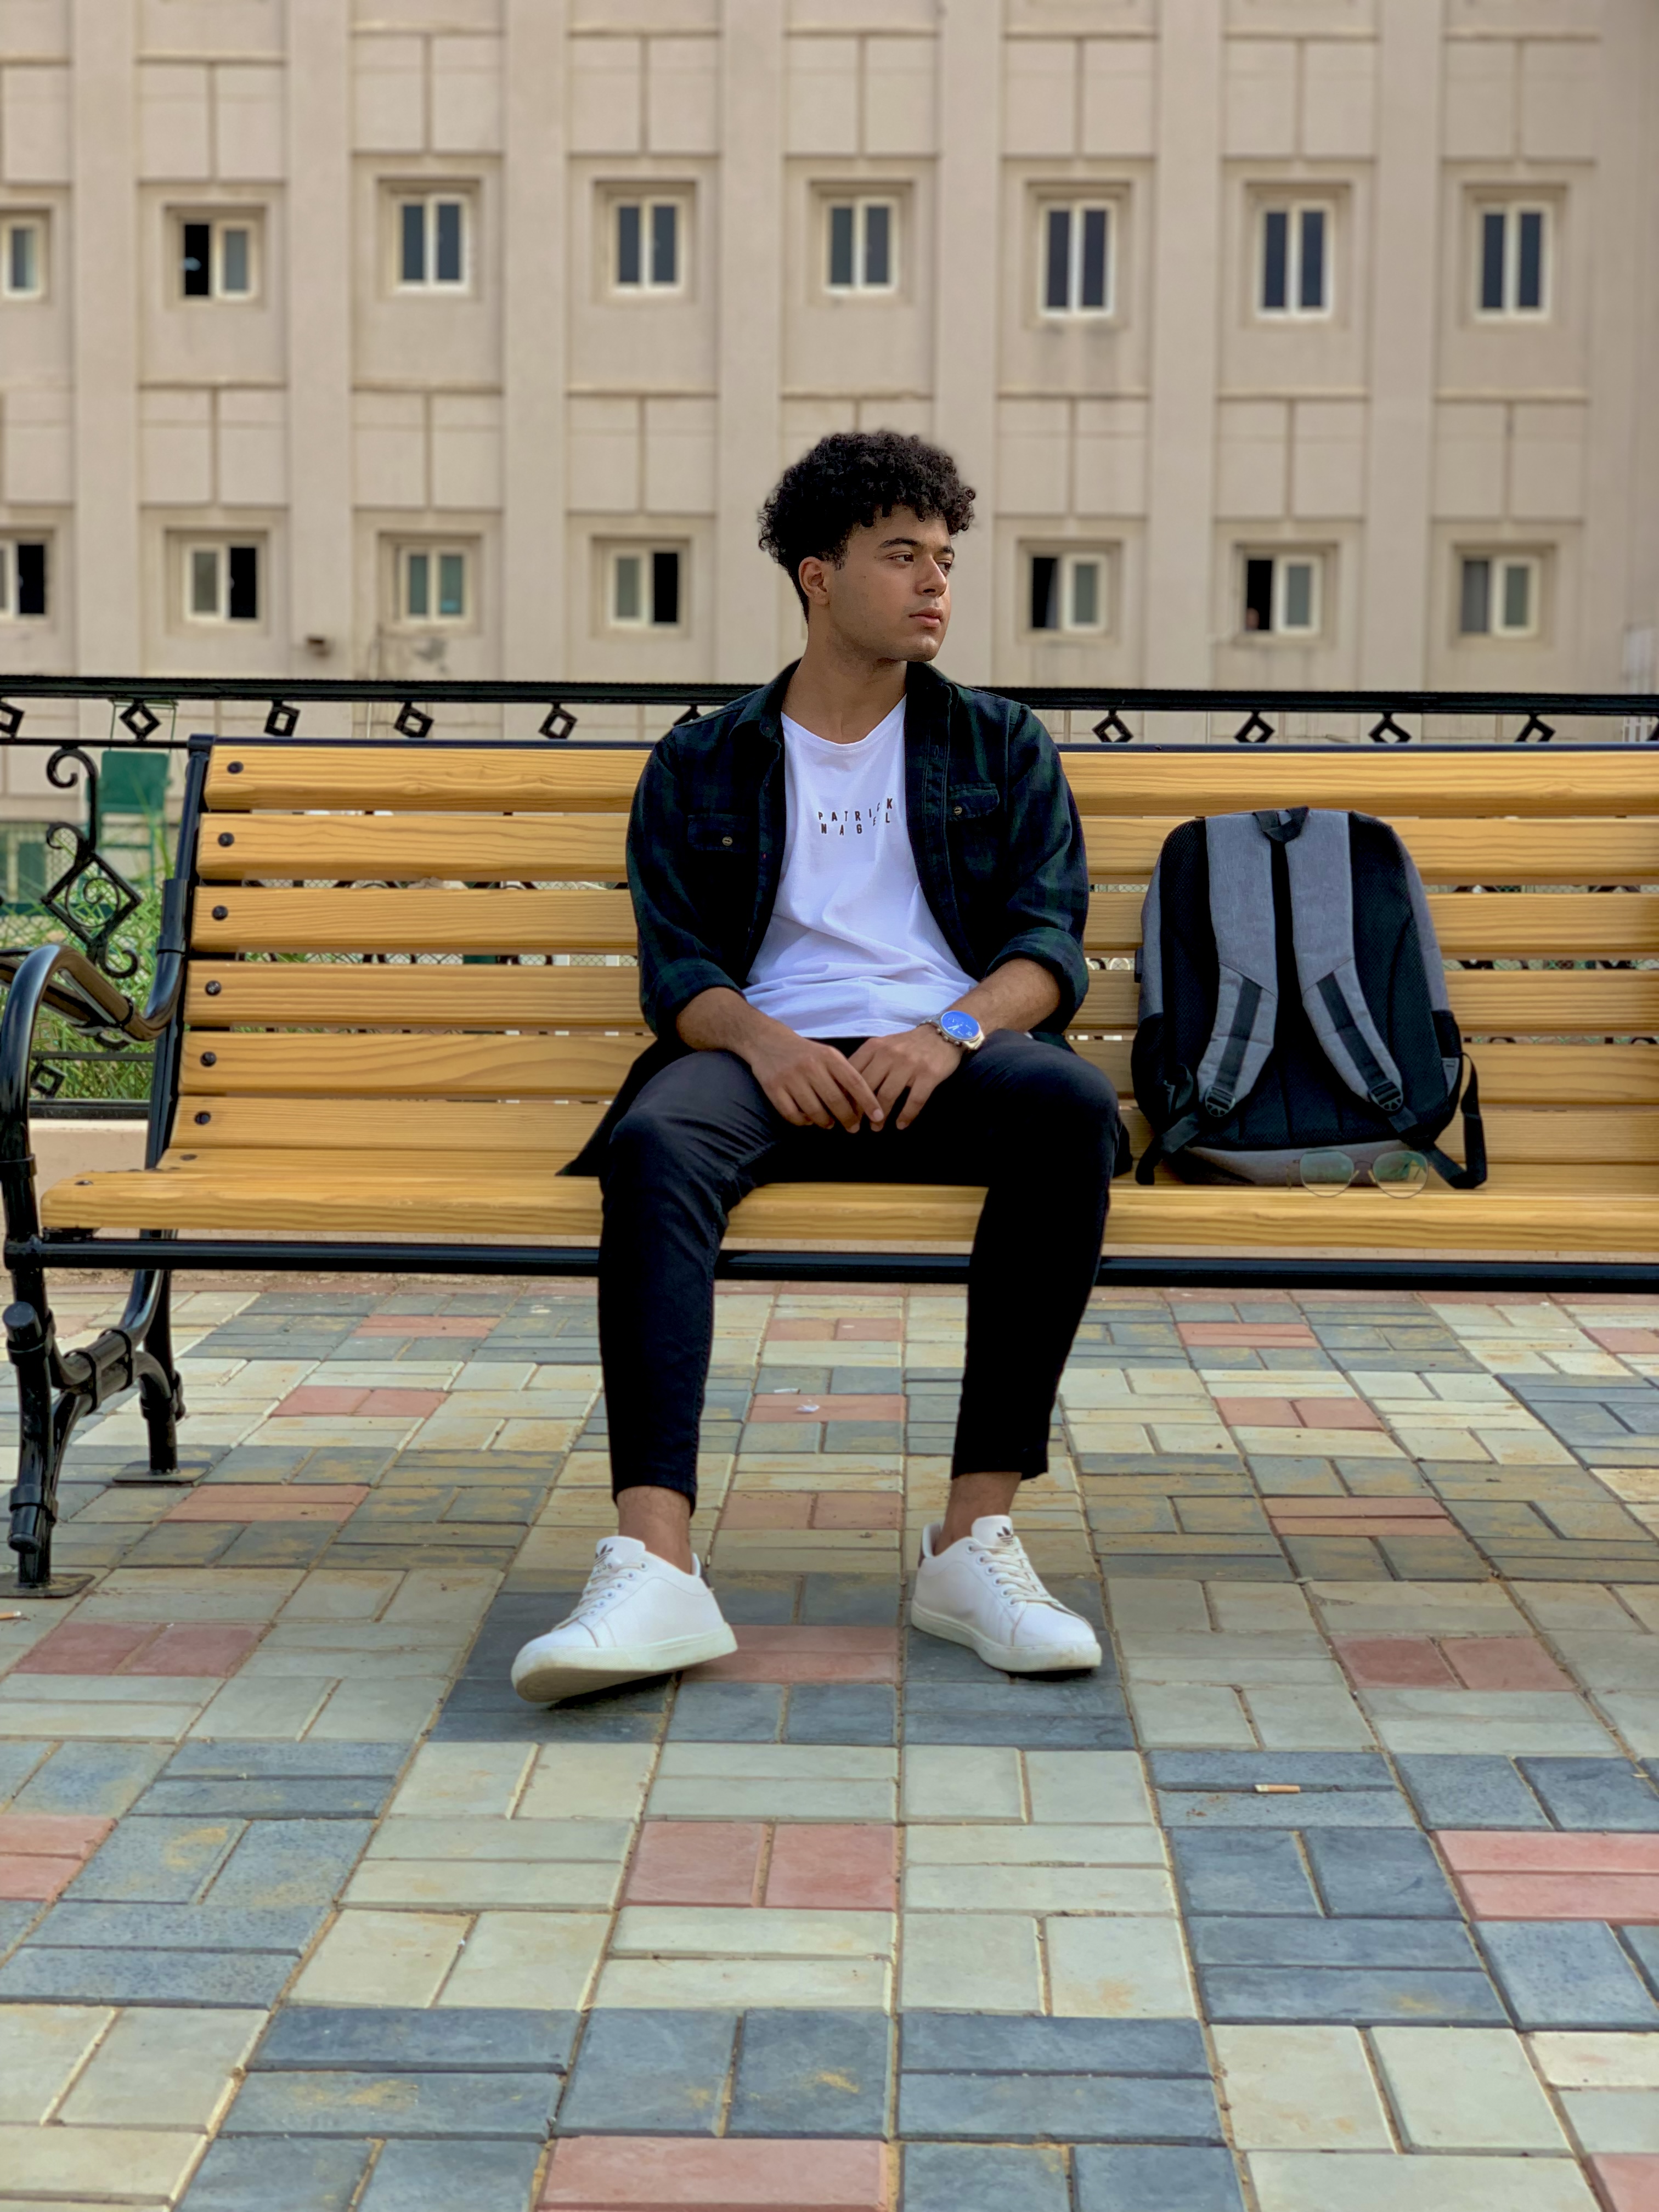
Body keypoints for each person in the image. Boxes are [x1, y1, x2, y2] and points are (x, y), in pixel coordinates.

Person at [512, 430, 1121, 1706]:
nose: (934, 582)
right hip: (766, 1058)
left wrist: (949, 1032)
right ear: (817, 575)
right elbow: (679, 968)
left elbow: (1047, 951)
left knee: (1069, 1105)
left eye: (944, 558)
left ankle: (973, 1543)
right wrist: (763, 1039)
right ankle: (655, 1562)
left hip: (946, 1061)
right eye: (901, 555)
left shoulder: (1001, 744)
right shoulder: (704, 758)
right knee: (656, 1142)